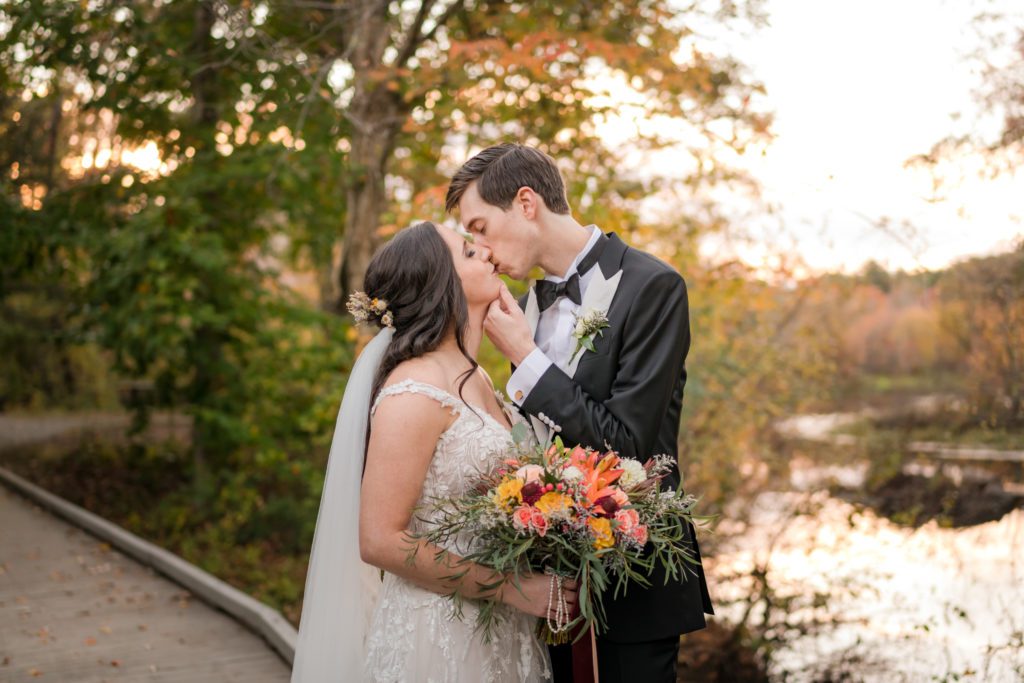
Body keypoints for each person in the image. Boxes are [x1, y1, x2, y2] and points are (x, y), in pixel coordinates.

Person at [445, 143, 714, 683]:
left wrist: (525, 357)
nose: (481, 248)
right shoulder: (521, 307)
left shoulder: (653, 287)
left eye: (480, 226)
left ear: (526, 203)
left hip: (632, 583)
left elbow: (629, 446)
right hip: (538, 590)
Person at [291, 222, 570, 682]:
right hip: (441, 637)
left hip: (505, 632)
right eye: (467, 251)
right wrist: (513, 589)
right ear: (443, 284)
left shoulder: (478, 378)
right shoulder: (415, 389)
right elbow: (380, 540)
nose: (485, 250)